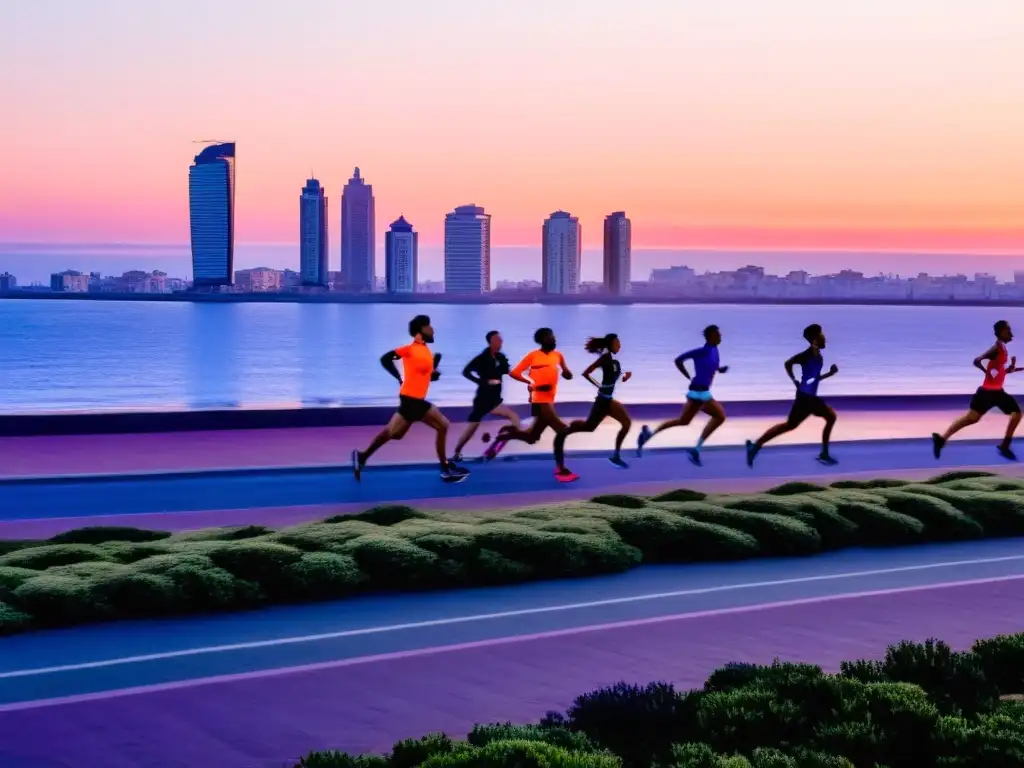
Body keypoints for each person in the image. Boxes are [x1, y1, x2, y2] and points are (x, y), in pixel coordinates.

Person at [351, 315, 469, 483]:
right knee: (443, 425)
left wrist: (432, 374)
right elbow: (385, 359)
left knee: (394, 433)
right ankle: (445, 468)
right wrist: (398, 377)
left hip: (414, 399)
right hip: (411, 400)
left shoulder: (426, 351)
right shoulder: (409, 349)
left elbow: (422, 374)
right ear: (420, 329)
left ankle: (362, 456)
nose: (432, 329)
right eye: (429, 326)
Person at [485, 327, 577, 482]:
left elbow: (567, 373)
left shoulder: (558, 355)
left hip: (550, 400)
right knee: (562, 430)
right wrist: (534, 384)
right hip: (539, 400)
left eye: (553, 337)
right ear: (541, 340)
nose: (553, 339)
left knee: (532, 437)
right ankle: (561, 469)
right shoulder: (533, 356)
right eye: (549, 337)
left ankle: (504, 436)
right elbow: (514, 373)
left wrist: (567, 374)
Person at [745, 323, 839, 468]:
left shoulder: (819, 357)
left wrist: (829, 374)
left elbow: (814, 379)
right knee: (829, 417)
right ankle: (824, 454)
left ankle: (755, 446)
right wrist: (794, 380)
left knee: (790, 425)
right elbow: (788, 363)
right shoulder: (806, 355)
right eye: (822, 335)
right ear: (815, 340)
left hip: (807, 397)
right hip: (805, 398)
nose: (825, 337)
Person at [636, 324, 728, 466]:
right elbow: (678, 360)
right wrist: (687, 375)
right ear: (710, 337)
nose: (720, 336)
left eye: (720, 334)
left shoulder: (715, 350)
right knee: (720, 416)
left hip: (698, 392)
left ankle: (649, 434)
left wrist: (720, 369)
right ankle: (696, 450)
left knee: (683, 421)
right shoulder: (702, 351)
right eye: (717, 335)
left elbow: (712, 366)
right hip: (700, 392)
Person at [933, 320, 1021, 461]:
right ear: (1000, 332)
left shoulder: (1002, 348)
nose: (1011, 333)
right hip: (990, 393)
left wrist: (1010, 370)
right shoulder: (997, 348)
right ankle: (1005, 446)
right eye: (1008, 330)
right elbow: (977, 360)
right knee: (1016, 414)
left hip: (991, 392)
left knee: (972, 418)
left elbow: (997, 371)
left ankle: (942, 439)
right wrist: (985, 371)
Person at [553, 334, 633, 469]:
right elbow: (586, 373)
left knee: (626, 423)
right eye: (617, 343)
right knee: (589, 427)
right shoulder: (604, 359)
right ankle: (567, 429)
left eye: (619, 342)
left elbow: (613, 379)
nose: (619, 345)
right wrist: (598, 385)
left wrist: (625, 377)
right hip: (602, 401)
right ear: (610, 344)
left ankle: (615, 456)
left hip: (609, 400)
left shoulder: (615, 362)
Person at [450, 330, 520, 462]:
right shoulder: (481, 358)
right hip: (482, 400)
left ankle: (504, 441)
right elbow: (466, 371)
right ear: (491, 342)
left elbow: (508, 371)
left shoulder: (501, 357)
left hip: (495, 400)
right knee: (472, 428)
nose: (501, 342)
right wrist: (482, 382)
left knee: (514, 417)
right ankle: (457, 452)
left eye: (501, 339)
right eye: (497, 340)